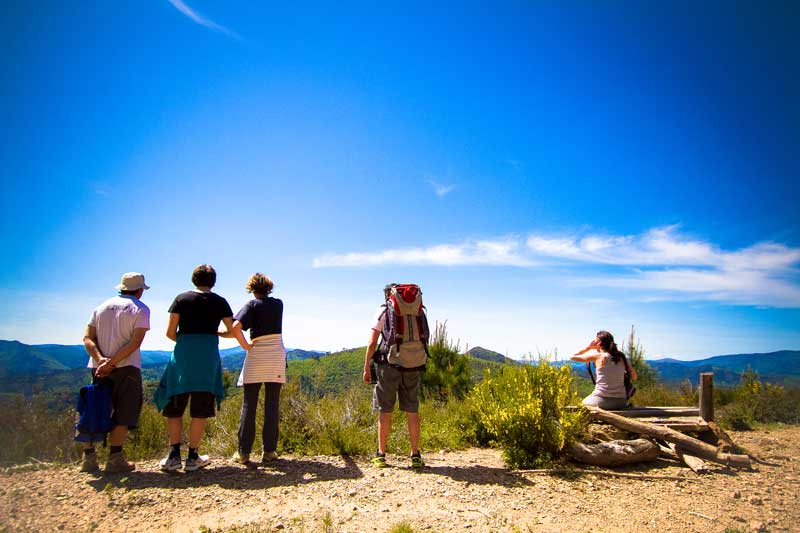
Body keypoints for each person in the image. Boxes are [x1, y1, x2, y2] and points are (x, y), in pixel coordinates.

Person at [153, 264, 251, 471]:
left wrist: (187, 339)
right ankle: (193, 457)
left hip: (182, 358)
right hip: (207, 358)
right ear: (213, 281)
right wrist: (214, 334)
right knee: (200, 409)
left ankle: (173, 456)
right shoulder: (220, 302)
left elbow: (170, 333)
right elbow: (233, 330)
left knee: (175, 407)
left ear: (193, 279)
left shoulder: (181, 299)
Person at [79, 272, 151, 473]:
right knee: (124, 412)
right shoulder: (140, 309)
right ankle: (115, 458)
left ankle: (89, 458)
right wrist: (113, 362)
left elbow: (87, 338)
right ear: (139, 290)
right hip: (127, 367)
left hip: (98, 368)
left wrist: (101, 360)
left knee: (94, 408)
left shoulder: (100, 307)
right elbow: (135, 342)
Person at [221, 273, 286, 466]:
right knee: (272, 405)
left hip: (257, 354)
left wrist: (245, 346)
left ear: (251, 288)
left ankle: (243, 453)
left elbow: (235, 326)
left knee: (249, 404)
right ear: (269, 287)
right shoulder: (278, 304)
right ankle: (269, 451)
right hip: (275, 355)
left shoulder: (251, 305)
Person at [362, 283, 425, 469]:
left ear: (388, 297)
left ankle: (381, 455)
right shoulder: (418, 311)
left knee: (385, 409)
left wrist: (367, 366)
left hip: (388, 365)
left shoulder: (383, 310)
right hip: (413, 364)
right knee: (412, 410)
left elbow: (373, 341)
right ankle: (415, 455)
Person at [571, 330, 637, 410]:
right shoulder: (623, 358)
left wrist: (588, 348)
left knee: (581, 406)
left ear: (598, 343)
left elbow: (573, 356)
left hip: (601, 401)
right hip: (621, 401)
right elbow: (634, 377)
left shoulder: (598, 356)